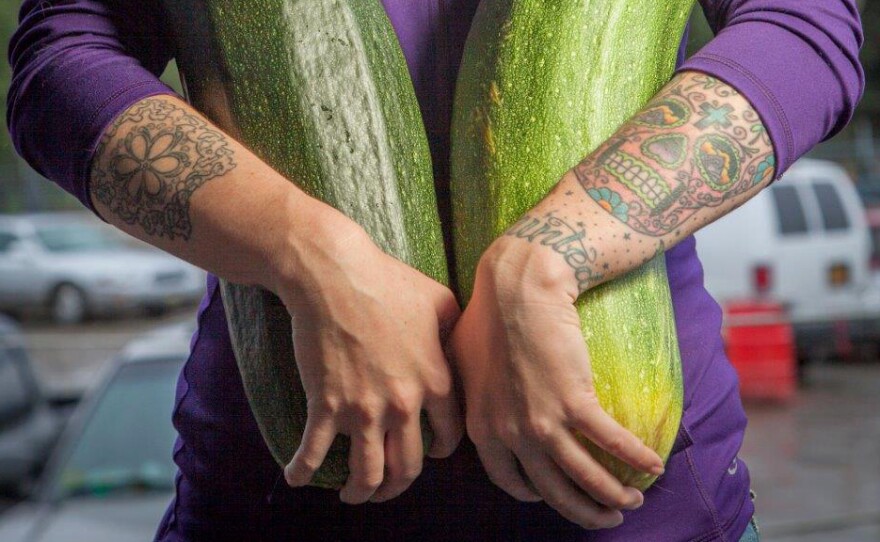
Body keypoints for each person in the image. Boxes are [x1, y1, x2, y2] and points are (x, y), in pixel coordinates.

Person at [7, 0, 863, 540]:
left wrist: (547, 261)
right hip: (285, 497)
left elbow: (806, 23)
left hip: (638, 508)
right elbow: (58, 64)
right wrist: (315, 257)